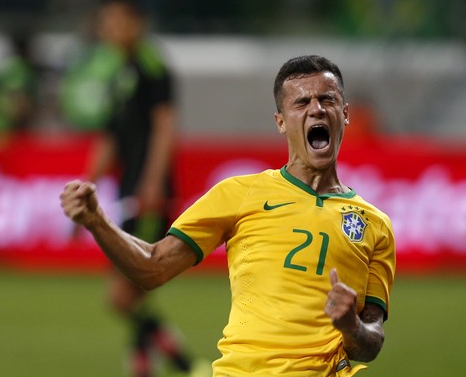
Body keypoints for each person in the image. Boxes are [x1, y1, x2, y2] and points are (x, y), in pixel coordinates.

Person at [61, 55, 396, 376]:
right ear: (280, 121)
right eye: (301, 102)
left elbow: (370, 343)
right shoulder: (239, 194)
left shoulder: (375, 225)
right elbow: (152, 267)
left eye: (327, 99)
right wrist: (97, 222)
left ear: (345, 113)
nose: (316, 109)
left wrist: (351, 325)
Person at [62, 0, 201, 377]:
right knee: (132, 292)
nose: (110, 30)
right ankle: (146, 365)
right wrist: (86, 187)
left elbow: (164, 124)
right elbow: (109, 136)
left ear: (137, 23)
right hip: (128, 191)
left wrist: (153, 182)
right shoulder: (116, 72)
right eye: (106, 23)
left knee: (124, 293)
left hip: (147, 192)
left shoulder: (152, 66)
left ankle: (185, 365)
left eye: (117, 22)